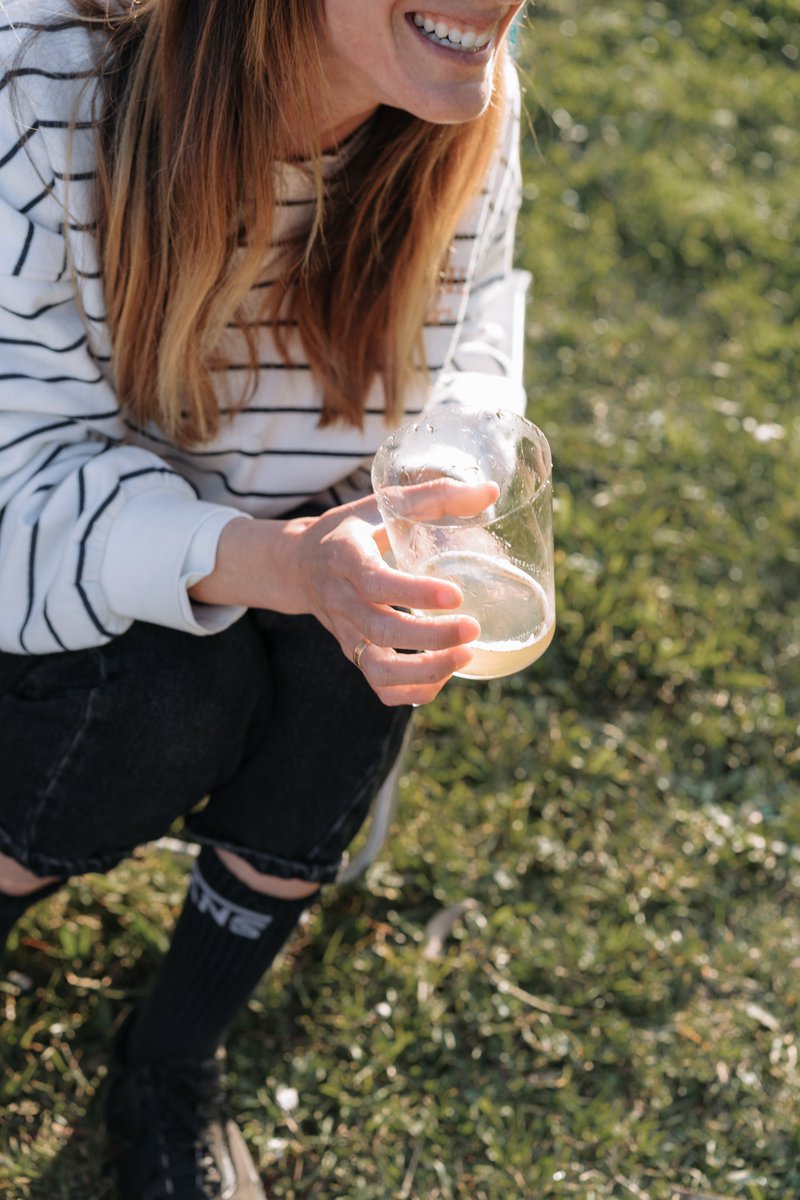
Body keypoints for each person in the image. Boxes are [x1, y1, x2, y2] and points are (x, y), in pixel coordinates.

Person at [0, 1, 529, 1196]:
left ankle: (171, 1058)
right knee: (174, 684)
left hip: (290, 551)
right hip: (43, 587)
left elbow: (476, 329)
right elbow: (11, 491)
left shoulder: (449, 69)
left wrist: (444, 467)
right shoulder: (39, 85)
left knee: (365, 656)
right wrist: (275, 562)